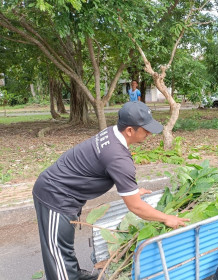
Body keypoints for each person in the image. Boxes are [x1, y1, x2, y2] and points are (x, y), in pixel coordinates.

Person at [32, 101, 189, 280]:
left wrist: (132, 191)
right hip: (54, 195)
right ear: (130, 130)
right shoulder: (118, 157)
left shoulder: (112, 133)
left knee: (63, 248)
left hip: (65, 192)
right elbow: (136, 208)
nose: (149, 133)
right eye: (145, 129)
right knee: (57, 254)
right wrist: (167, 218)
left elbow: (107, 168)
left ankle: (73, 274)